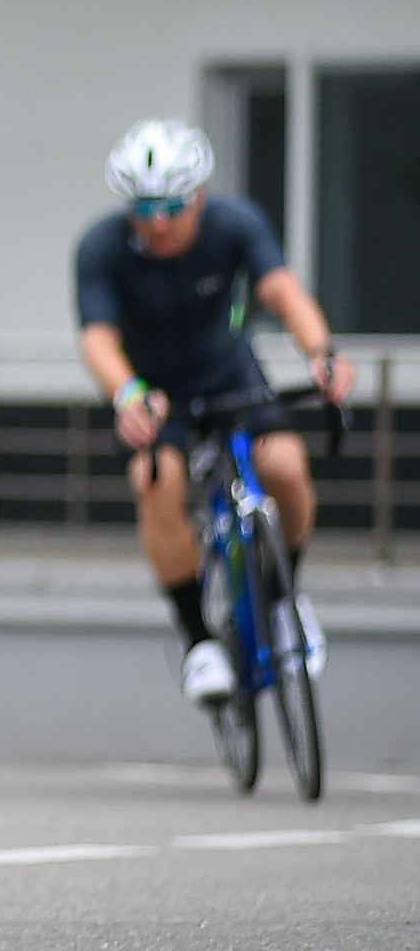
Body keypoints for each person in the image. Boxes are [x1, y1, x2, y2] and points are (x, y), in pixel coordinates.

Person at [73, 119, 354, 703]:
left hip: (231, 379)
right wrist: (127, 393)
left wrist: (321, 354)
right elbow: (97, 337)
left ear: (199, 195)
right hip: (157, 394)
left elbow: (281, 291)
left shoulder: (235, 225)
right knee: (156, 483)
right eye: (144, 207)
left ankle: (283, 600)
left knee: (285, 466)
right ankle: (199, 640)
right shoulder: (100, 247)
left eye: (172, 206)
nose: (157, 222)